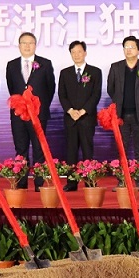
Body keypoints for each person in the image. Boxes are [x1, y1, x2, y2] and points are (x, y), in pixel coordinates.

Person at [5, 32, 55, 189]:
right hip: (18, 115)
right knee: (21, 148)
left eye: (30, 43)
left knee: (39, 148)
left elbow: (50, 88)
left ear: (35, 45)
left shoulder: (45, 63)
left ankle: (39, 183)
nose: (27, 46)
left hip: (38, 114)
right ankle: (21, 182)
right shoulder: (11, 65)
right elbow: (12, 88)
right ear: (19, 45)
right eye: (24, 43)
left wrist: (40, 106)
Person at [106, 35, 139, 188]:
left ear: (138, 50)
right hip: (120, 116)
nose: (128, 50)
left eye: (132, 47)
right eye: (126, 47)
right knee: (121, 150)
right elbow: (110, 89)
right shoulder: (115, 67)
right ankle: (122, 180)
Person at [58, 40, 102, 190]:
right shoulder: (65, 73)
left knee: (88, 151)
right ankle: (72, 183)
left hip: (86, 118)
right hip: (70, 118)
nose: (76, 55)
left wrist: (83, 111)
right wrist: (70, 110)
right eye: (73, 52)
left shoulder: (95, 72)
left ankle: (90, 181)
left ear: (85, 53)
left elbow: (96, 95)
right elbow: (62, 95)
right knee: (71, 152)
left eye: (79, 51)